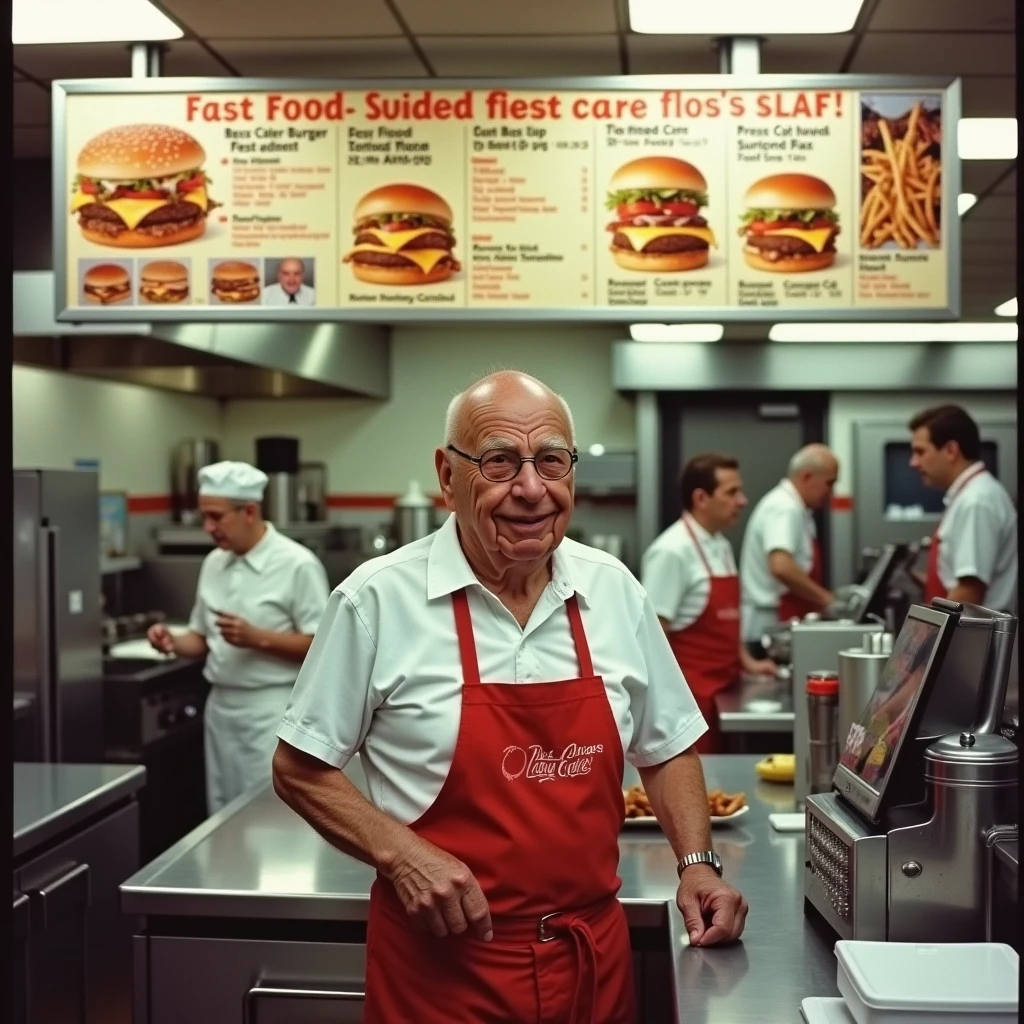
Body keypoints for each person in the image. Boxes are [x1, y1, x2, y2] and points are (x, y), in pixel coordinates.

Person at [272, 372, 747, 1024]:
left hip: (591, 963)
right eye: (499, 462)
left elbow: (665, 749)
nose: (531, 489)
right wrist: (401, 853)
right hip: (442, 975)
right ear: (447, 476)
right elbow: (299, 768)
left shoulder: (614, 591)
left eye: (551, 460)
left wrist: (697, 864)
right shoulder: (375, 600)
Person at [147, 461, 329, 813]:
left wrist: (257, 638)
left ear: (249, 511)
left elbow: (322, 648)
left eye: (216, 517)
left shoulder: (297, 564)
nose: (208, 528)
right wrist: (171, 640)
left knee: (269, 816)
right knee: (221, 811)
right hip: (221, 711)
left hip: (271, 710)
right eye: (204, 517)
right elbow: (200, 639)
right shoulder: (215, 563)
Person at [641, 452, 776, 754]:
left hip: (725, 691)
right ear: (701, 498)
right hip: (689, 701)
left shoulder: (721, 544)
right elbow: (652, 636)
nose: (742, 501)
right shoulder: (671, 552)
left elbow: (729, 620)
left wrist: (748, 663)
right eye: (732, 492)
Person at [908, 404, 1017, 610]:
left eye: (920, 452)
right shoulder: (969, 495)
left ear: (950, 450)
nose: (913, 462)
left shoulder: (977, 501)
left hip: (976, 641)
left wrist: (929, 638)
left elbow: (969, 590)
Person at [740, 444, 839, 652]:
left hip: (779, 621)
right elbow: (781, 566)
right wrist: (826, 599)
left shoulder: (797, 508)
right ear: (806, 477)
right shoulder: (784, 508)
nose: (831, 492)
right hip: (769, 628)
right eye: (829, 483)